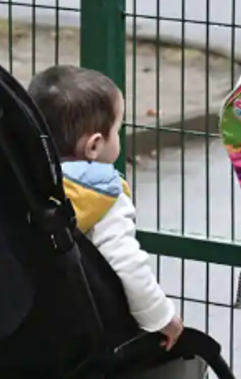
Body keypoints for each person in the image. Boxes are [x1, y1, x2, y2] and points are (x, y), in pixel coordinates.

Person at [27, 65, 184, 348]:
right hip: (79, 331)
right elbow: (127, 265)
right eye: (117, 131)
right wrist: (162, 318)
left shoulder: (21, 179)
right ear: (94, 146)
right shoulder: (101, 197)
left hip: (18, 321)